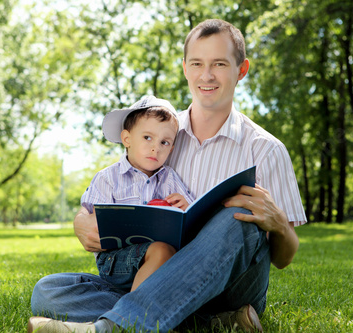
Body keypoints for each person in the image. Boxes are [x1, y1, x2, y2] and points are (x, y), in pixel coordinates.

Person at [28, 18, 307, 333]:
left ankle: (113, 328)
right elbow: (116, 187)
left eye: (219, 64)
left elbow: (285, 258)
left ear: (241, 70)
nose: (207, 75)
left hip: (230, 289)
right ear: (185, 68)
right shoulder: (161, 135)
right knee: (49, 291)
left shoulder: (266, 150)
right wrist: (82, 220)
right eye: (197, 64)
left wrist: (279, 224)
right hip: (157, 277)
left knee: (239, 213)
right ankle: (206, 324)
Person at [80, 95, 194, 293]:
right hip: (114, 260)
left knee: (165, 252)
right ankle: (133, 315)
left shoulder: (170, 178)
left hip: (160, 260)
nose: (155, 148)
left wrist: (186, 206)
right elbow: (89, 219)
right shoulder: (108, 178)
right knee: (160, 250)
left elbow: (192, 220)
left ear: (172, 149)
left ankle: (129, 304)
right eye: (147, 137)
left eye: (164, 142)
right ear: (127, 138)